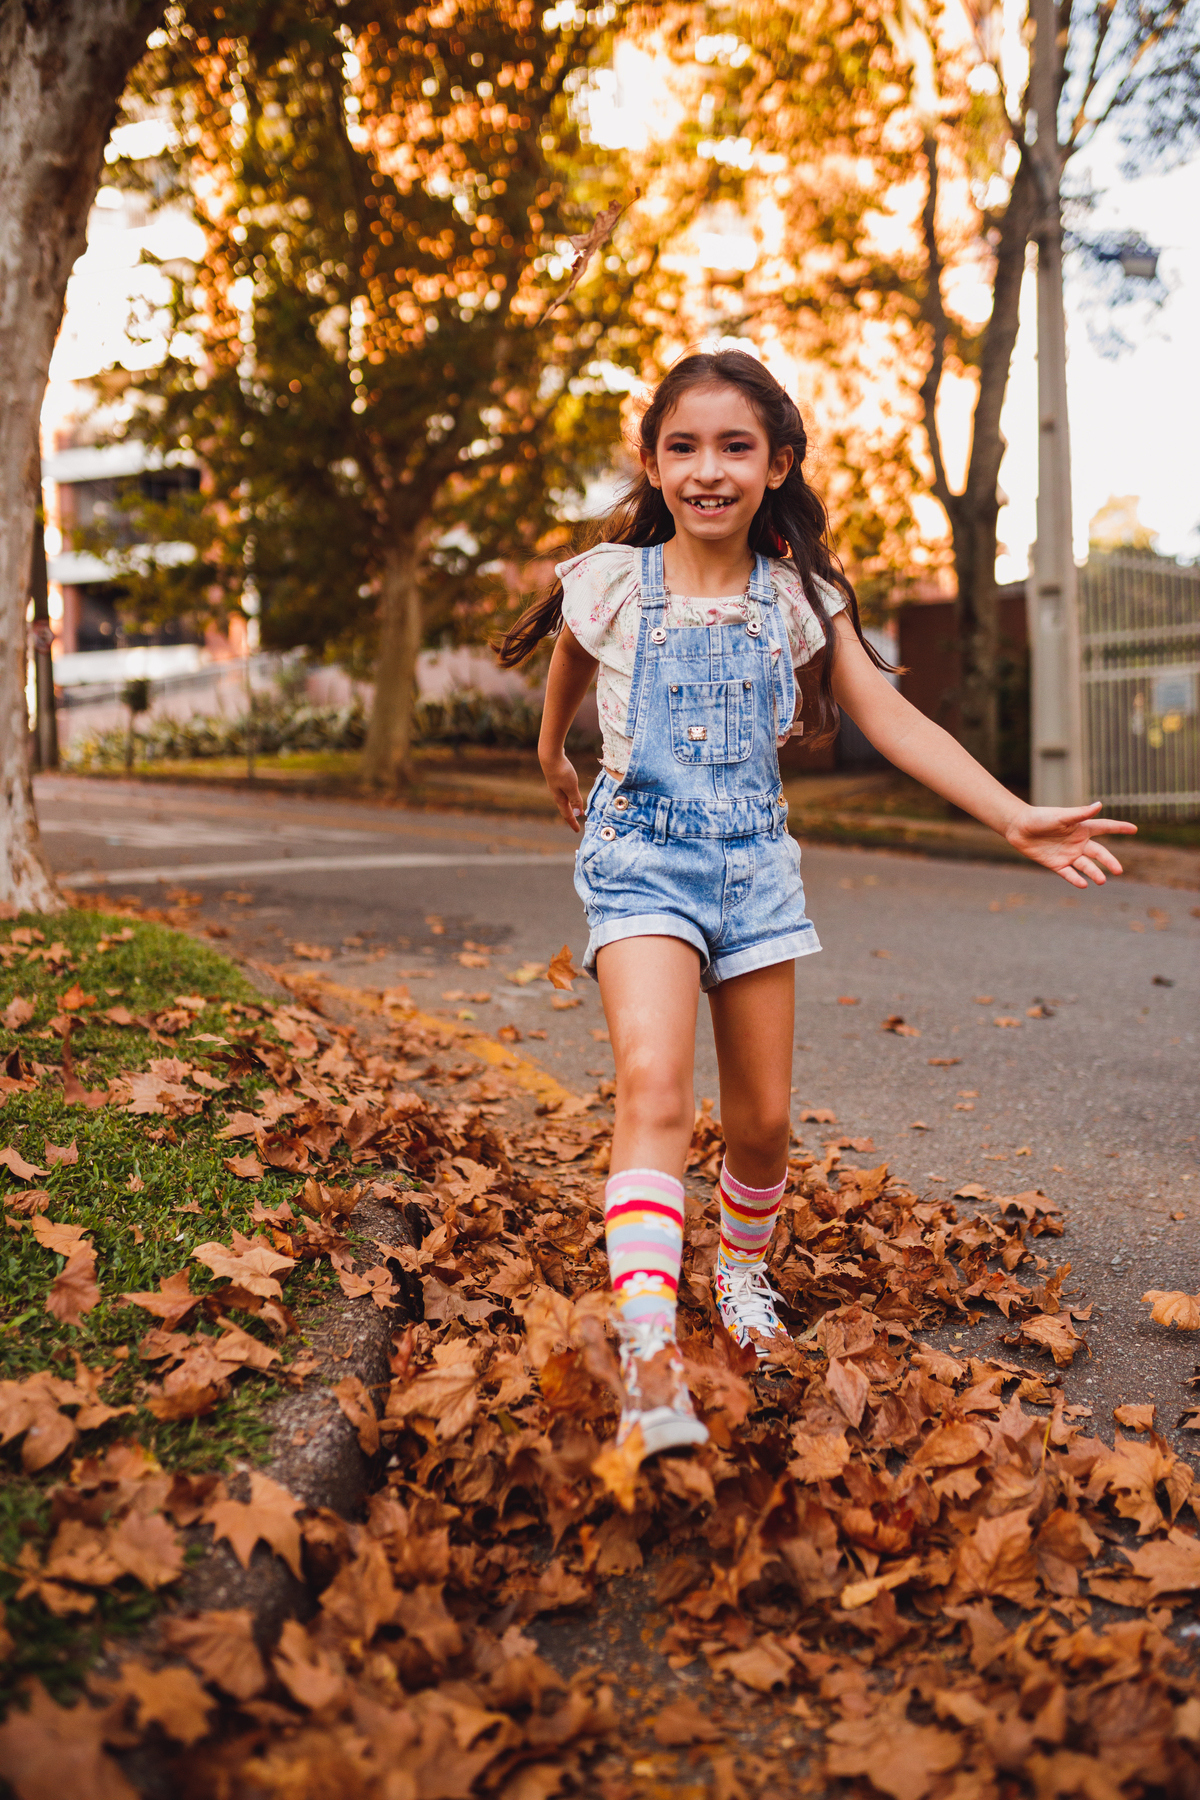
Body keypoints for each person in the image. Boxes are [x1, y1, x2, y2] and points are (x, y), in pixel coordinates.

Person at [496, 348, 1135, 1460]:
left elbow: (894, 722)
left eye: (735, 447)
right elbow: (571, 661)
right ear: (653, 460)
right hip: (639, 856)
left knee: (762, 1124)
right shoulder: (608, 579)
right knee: (652, 1085)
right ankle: (649, 1362)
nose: (707, 469)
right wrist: (554, 757)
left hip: (753, 872)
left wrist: (1010, 814)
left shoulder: (798, 599)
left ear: (777, 464)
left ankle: (741, 1276)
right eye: (683, 446)